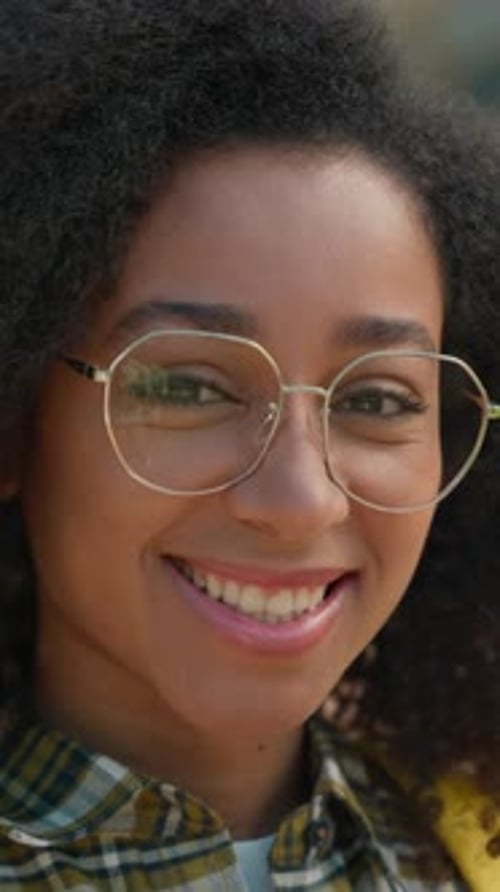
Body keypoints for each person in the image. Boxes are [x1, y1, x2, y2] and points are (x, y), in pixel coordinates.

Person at [0, 1, 499, 889]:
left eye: (379, 397)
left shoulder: (456, 857)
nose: (302, 499)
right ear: (17, 416)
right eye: (187, 385)